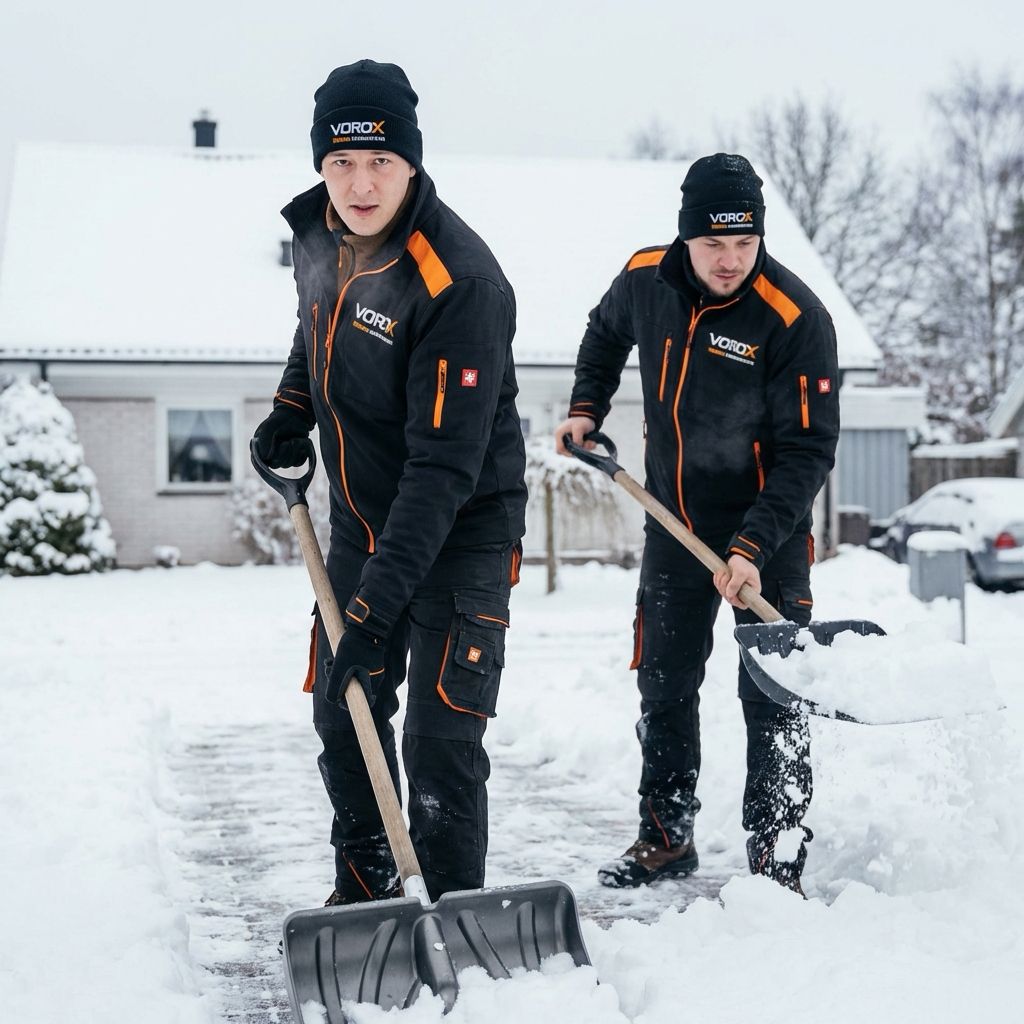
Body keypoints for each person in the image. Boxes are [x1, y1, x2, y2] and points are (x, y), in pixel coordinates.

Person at [254, 60, 527, 905]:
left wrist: (373, 613)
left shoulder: (459, 282)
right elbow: (315, 328)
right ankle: (366, 895)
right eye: (341, 163)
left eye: (380, 163)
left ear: (411, 162)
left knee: (441, 746)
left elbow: (443, 466)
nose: (360, 184)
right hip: (362, 526)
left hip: (457, 535)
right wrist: (291, 406)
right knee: (344, 718)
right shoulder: (317, 236)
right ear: (320, 166)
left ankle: (452, 918)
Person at [554, 153, 839, 895]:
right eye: (714, 244)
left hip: (768, 533)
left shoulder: (795, 317)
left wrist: (750, 546)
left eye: (744, 244)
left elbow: (808, 452)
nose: (729, 260)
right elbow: (603, 330)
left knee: (774, 695)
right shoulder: (646, 279)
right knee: (665, 680)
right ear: (686, 238)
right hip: (672, 519)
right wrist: (588, 404)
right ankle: (665, 836)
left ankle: (778, 860)